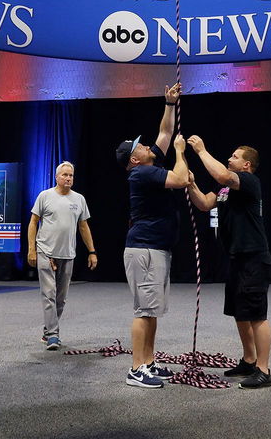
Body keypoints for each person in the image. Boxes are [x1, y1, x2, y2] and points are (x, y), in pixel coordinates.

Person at [115, 83, 190, 389]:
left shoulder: (146, 165)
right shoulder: (142, 173)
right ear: (134, 159)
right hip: (144, 250)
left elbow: (164, 134)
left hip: (155, 248)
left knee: (153, 311)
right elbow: (181, 178)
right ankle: (136, 369)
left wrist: (169, 104)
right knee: (144, 311)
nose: (147, 147)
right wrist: (181, 154)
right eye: (140, 147)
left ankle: (149, 361)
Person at [185, 135, 271, 389]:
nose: (229, 159)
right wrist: (191, 185)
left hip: (254, 257)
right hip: (237, 257)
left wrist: (202, 151)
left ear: (247, 165)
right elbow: (204, 203)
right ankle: (249, 360)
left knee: (257, 315)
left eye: (235, 157)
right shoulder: (226, 190)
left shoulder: (248, 181)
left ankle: (264, 370)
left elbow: (224, 176)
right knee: (239, 312)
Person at [27, 161, 97, 350]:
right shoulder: (45, 196)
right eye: (65, 175)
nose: (68, 178)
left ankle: (48, 328)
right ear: (57, 177)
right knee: (48, 294)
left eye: (71, 175)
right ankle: (53, 335)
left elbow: (84, 226)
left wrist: (92, 251)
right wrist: (31, 249)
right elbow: (33, 223)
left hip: (68, 254)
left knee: (60, 298)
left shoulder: (79, 199)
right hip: (45, 252)